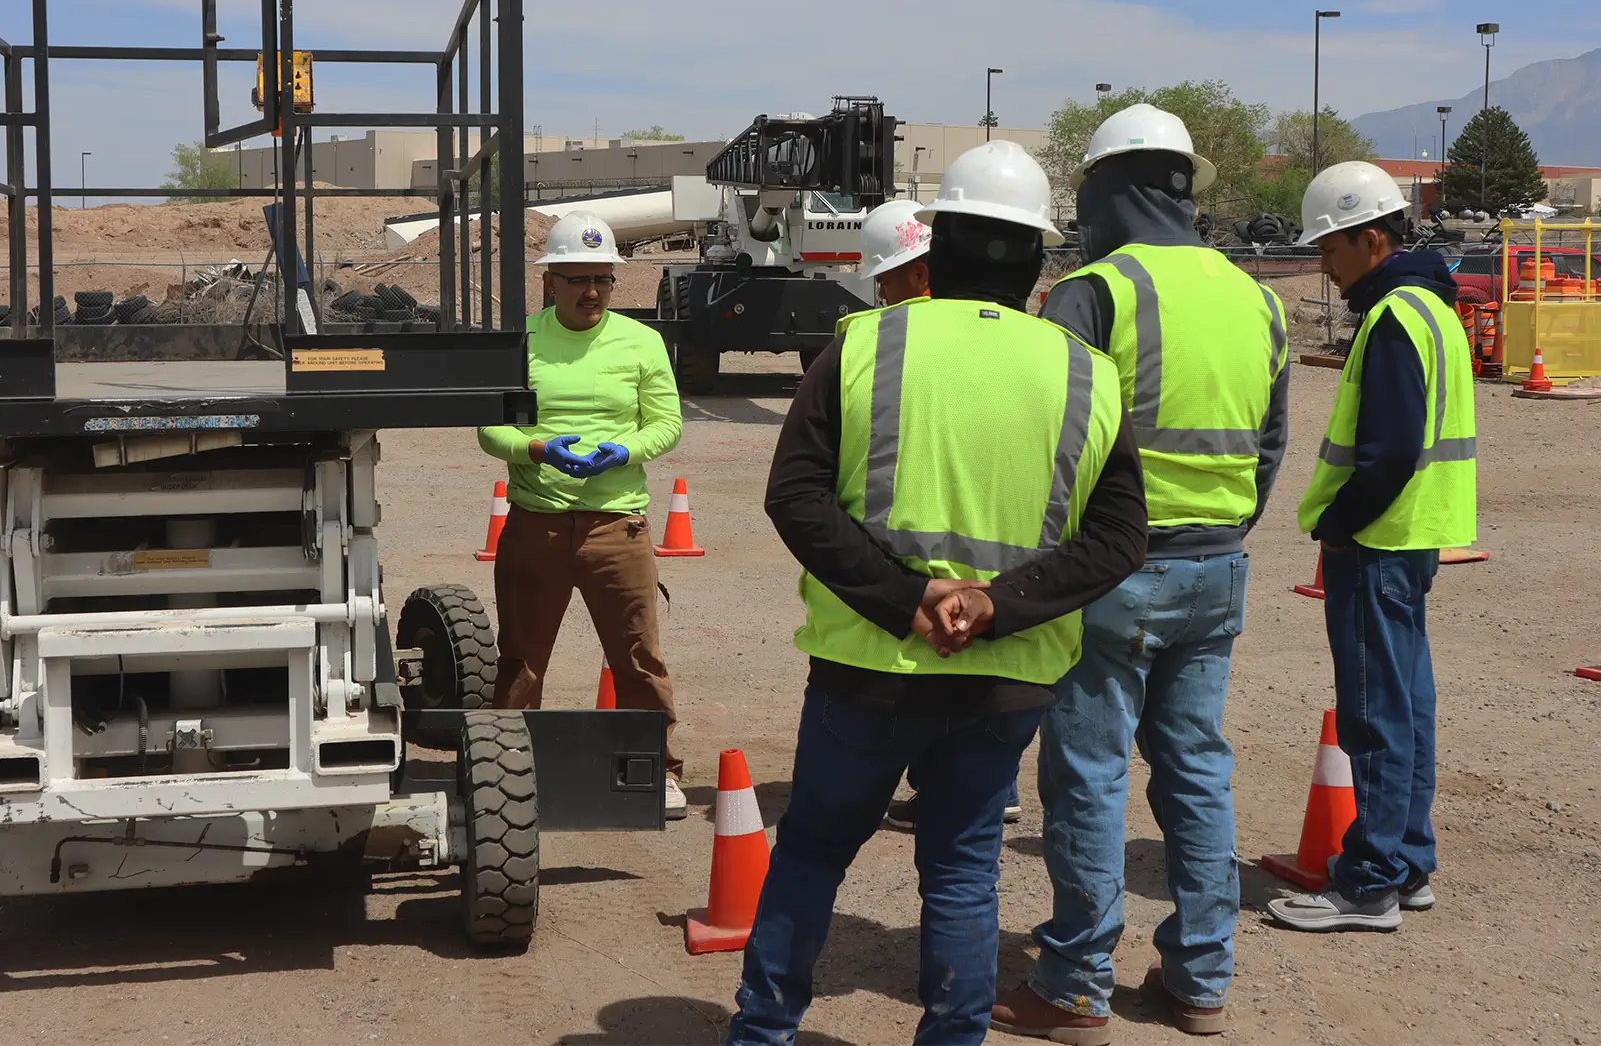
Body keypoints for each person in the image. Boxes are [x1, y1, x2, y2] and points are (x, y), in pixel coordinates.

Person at [727, 142, 1149, 1046]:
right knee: (961, 870)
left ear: (938, 241)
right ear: (1039, 258)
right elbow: (1119, 537)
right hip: (1005, 680)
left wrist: (904, 597)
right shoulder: (1086, 373)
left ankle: (762, 1034)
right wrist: (997, 603)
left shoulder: (863, 344)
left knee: (810, 853)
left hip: (865, 669)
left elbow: (794, 494)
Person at [993, 104, 1288, 1042]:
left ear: (1112, 188)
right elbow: (1271, 443)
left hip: (1114, 574)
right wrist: (1228, 526)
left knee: (1087, 772)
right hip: (1218, 565)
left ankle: (1078, 981)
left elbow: (1048, 440)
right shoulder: (1258, 296)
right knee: (1197, 768)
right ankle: (1200, 978)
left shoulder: (1096, 291)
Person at [1265, 161, 1475, 934]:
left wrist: (1339, 522)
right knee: (1408, 705)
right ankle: (1408, 860)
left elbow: (1386, 451)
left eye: (1330, 246)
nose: (1324, 262)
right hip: (1412, 536)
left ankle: (1371, 882)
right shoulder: (1433, 308)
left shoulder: (1394, 319)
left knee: (1377, 713)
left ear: (1372, 238)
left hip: (1378, 540)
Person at [476, 211, 689, 820]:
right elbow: (491, 428)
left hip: (616, 528)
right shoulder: (520, 341)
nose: (592, 290)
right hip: (535, 524)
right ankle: (506, 774)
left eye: (603, 278)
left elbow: (666, 423)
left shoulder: (640, 342)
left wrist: (628, 450)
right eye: (577, 279)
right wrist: (536, 448)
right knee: (521, 657)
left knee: (638, 656)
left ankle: (660, 769)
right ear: (550, 282)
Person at [859, 198, 1024, 833]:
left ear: (921, 275)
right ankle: (985, 785)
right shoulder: (1003, 336)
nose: (880, 294)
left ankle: (938, 786)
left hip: (924, 562)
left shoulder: (895, 349)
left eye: (886, 279)